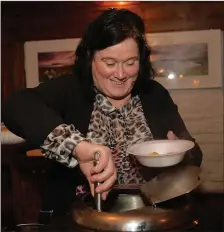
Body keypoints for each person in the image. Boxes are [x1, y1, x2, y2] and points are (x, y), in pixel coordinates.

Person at [2, 8, 202, 217]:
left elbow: (194, 154)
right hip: (76, 218)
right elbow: (15, 106)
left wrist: (180, 154)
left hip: (148, 215)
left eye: (130, 62)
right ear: (90, 58)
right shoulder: (70, 90)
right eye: (110, 63)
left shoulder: (155, 94)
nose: (121, 74)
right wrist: (78, 147)